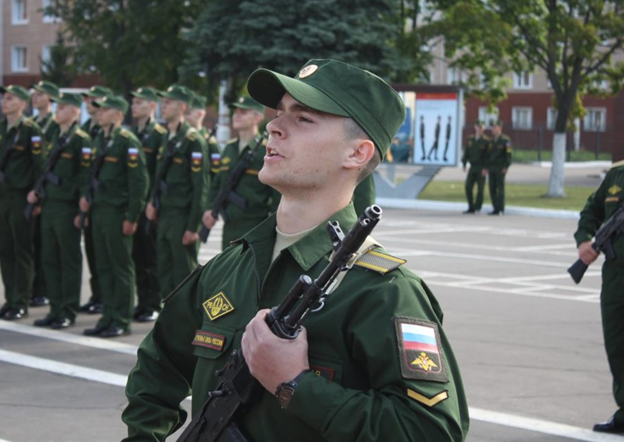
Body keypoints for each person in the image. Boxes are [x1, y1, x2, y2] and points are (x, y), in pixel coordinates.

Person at [123, 59, 470, 441]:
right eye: (279, 113)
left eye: (303, 119)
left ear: (356, 153)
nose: (273, 126)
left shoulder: (383, 292)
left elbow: (432, 431)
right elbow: (158, 366)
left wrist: (295, 385)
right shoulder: (229, 267)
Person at [80, 96, 148, 338]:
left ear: (118, 115)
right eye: (98, 110)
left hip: (117, 213)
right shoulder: (100, 138)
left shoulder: (126, 141)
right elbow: (91, 175)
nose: (99, 114)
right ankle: (107, 316)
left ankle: (121, 318)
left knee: (120, 267)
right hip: (99, 211)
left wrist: (132, 216)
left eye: (105, 110)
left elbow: (139, 182)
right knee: (104, 266)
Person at [29, 92, 92, 329]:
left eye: (63, 107)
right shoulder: (56, 135)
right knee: (49, 259)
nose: (58, 110)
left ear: (75, 111)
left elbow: (85, 177)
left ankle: (68, 309)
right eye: (58, 106)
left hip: (67, 208)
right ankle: (55, 308)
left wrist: (81, 209)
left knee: (68, 260)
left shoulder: (80, 139)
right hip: (50, 206)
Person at [0, 85, 46, 321]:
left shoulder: (31, 130)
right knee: (5, 250)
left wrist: (37, 194)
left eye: (11, 99)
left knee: (22, 251)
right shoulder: (0, 128)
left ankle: (21, 301)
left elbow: (40, 166)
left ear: (22, 104)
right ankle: (9, 299)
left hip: (22, 197)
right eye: (4, 99)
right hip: (3, 197)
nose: (5, 102)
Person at [145, 85, 209, 301]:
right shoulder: (167, 138)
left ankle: (186, 327)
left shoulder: (193, 141)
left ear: (182, 107)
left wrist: (193, 227)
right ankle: (168, 323)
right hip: (164, 214)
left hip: (182, 217)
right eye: (163, 102)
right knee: (164, 271)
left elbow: (200, 187)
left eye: (169, 102)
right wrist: (153, 201)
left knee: (184, 275)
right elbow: (159, 176)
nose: (164, 106)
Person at [575, 160, 624, 434]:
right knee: (617, 345)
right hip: (616, 277)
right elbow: (592, 210)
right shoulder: (617, 174)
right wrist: (584, 239)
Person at [202, 95, 280, 251]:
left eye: (243, 112)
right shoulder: (229, 148)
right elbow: (218, 182)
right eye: (236, 111)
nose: (236, 115)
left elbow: (276, 192)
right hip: (229, 224)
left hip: (254, 225)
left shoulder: (265, 151)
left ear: (257, 117)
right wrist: (210, 208)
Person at [129, 87, 167, 322]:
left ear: (152, 106)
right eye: (133, 102)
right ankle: (142, 301)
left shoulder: (158, 134)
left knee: (152, 257)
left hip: (151, 204)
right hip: (137, 203)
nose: (134, 106)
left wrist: (154, 201)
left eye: (140, 103)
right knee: (138, 256)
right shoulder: (134, 133)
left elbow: (160, 173)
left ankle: (152, 303)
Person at [79, 85, 113, 315]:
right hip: (92, 200)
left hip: (112, 204)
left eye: (95, 99)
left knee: (113, 259)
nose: (91, 103)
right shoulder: (88, 130)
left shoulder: (113, 134)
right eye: (88, 99)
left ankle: (110, 301)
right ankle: (97, 295)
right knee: (94, 252)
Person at [28, 80, 60, 308]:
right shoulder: (31, 124)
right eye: (34, 94)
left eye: (40, 94)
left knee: (46, 246)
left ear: (50, 99)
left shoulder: (55, 125)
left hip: (48, 194)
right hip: (34, 190)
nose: (35, 97)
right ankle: (35, 288)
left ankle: (45, 290)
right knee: (34, 244)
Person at [186, 92, 221, 178]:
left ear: (200, 114)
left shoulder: (210, 142)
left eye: (188, 113)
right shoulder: (184, 137)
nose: (184, 117)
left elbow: (216, 172)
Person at [461, 121, 490, 214]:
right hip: (473, 167)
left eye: (481, 127)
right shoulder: (470, 139)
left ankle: (477, 207)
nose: (479, 129)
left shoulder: (486, 141)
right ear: (475, 127)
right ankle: (471, 206)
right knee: (468, 187)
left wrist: (486, 168)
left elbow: (488, 156)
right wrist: (464, 164)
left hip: (481, 167)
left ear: (484, 128)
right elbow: (466, 153)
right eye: (478, 126)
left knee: (480, 189)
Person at [487, 120, 511, 215]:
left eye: (495, 126)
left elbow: (508, 154)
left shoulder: (505, 140)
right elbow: (488, 155)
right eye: (492, 127)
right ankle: (495, 208)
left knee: (500, 189)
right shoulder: (491, 141)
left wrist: (506, 166)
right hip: (492, 167)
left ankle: (501, 208)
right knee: (492, 188)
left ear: (500, 128)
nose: (493, 129)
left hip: (500, 167)